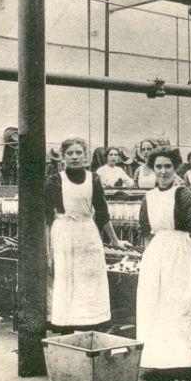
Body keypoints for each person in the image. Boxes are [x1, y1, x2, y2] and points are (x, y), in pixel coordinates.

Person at [137, 146, 191, 381]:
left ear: (175, 167)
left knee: (179, 308)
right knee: (155, 308)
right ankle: (158, 363)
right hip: (156, 256)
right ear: (152, 169)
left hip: (180, 254)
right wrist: (150, 259)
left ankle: (181, 367)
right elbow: (146, 233)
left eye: (168, 166)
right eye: (159, 167)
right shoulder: (148, 198)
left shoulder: (184, 195)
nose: (163, 171)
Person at [45, 137, 131, 333]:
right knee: (66, 281)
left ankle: (90, 327)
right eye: (70, 153)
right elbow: (47, 220)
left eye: (78, 153)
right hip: (64, 235)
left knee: (89, 281)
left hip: (88, 235)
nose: (75, 157)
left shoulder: (94, 179)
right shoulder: (54, 181)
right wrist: (48, 250)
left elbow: (102, 213)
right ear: (63, 157)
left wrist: (116, 240)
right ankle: (66, 328)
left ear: (85, 155)